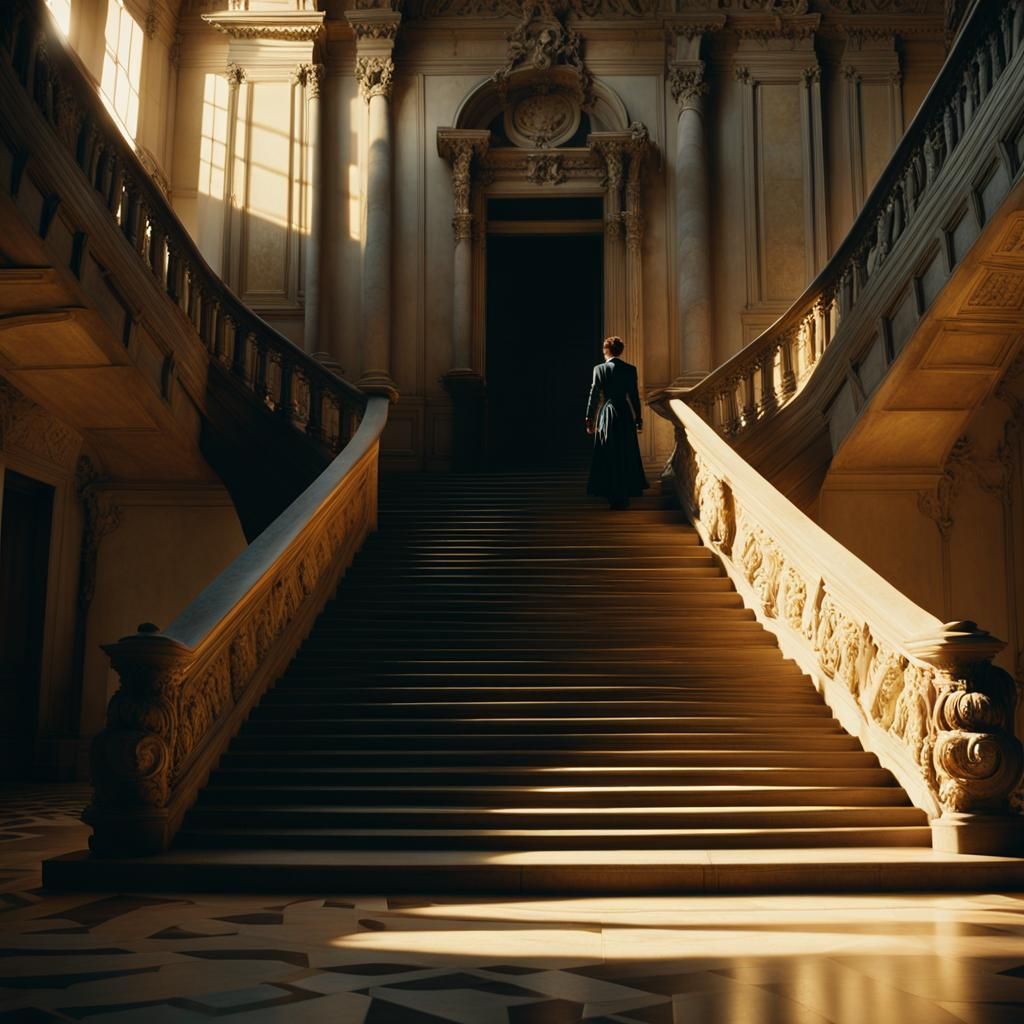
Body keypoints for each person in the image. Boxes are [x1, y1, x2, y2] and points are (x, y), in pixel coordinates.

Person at [585, 336, 649, 509]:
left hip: (608, 413)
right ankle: (625, 494)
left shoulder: (599, 369)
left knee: (609, 452)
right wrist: (638, 418)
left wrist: (589, 418)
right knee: (625, 451)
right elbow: (634, 396)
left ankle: (612, 494)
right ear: (620, 350)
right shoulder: (630, 369)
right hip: (624, 414)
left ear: (606, 350)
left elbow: (594, 395)